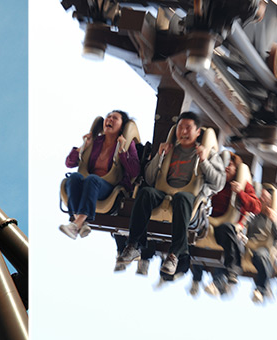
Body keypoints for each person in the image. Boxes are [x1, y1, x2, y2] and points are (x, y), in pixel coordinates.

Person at [119, 111, 226, 275]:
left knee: (182, 198)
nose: (183, 132)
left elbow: (218, 184)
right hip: (164, 193)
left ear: (198, 132)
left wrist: (204, 160)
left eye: (188, 128)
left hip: (190, 198)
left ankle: (174, 254)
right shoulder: (169, 149)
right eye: (180, 127)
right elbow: (149, 177)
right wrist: (160, 156)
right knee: (146, 192)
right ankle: (134, 245)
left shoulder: (209, 154)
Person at [59, 110, 140, 239]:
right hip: (89, 184)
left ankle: (76, 224)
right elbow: (69, 163)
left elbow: (135, 171)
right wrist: (83, 147)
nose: (110, 120)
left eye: (115, 118)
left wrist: (122, 152)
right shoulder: (96, 141)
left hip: (109, 188)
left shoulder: (127, 144)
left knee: (92, 179)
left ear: (122, 126)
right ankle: (80, 222)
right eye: (108, 117)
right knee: (73, 178)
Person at [189, 152, 261, 296]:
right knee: (193, 227)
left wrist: (240, 192)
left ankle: (228, 274)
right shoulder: (216, 180)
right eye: (224, 165)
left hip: (228, 226)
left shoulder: (243, 184)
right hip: (209, 221)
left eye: (230, 165)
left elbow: (256, 207)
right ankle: (193, 275)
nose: (226, 168)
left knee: (227, 231)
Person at [246, 187, 277, 304]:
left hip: (265, 251)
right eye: (261, 197)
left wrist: (274, 221)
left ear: (271, 201)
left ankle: (260, 289)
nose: (262, 199)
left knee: (262, 255)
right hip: (249, 247)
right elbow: (246, 227)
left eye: (265, 198)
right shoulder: (254, 216)